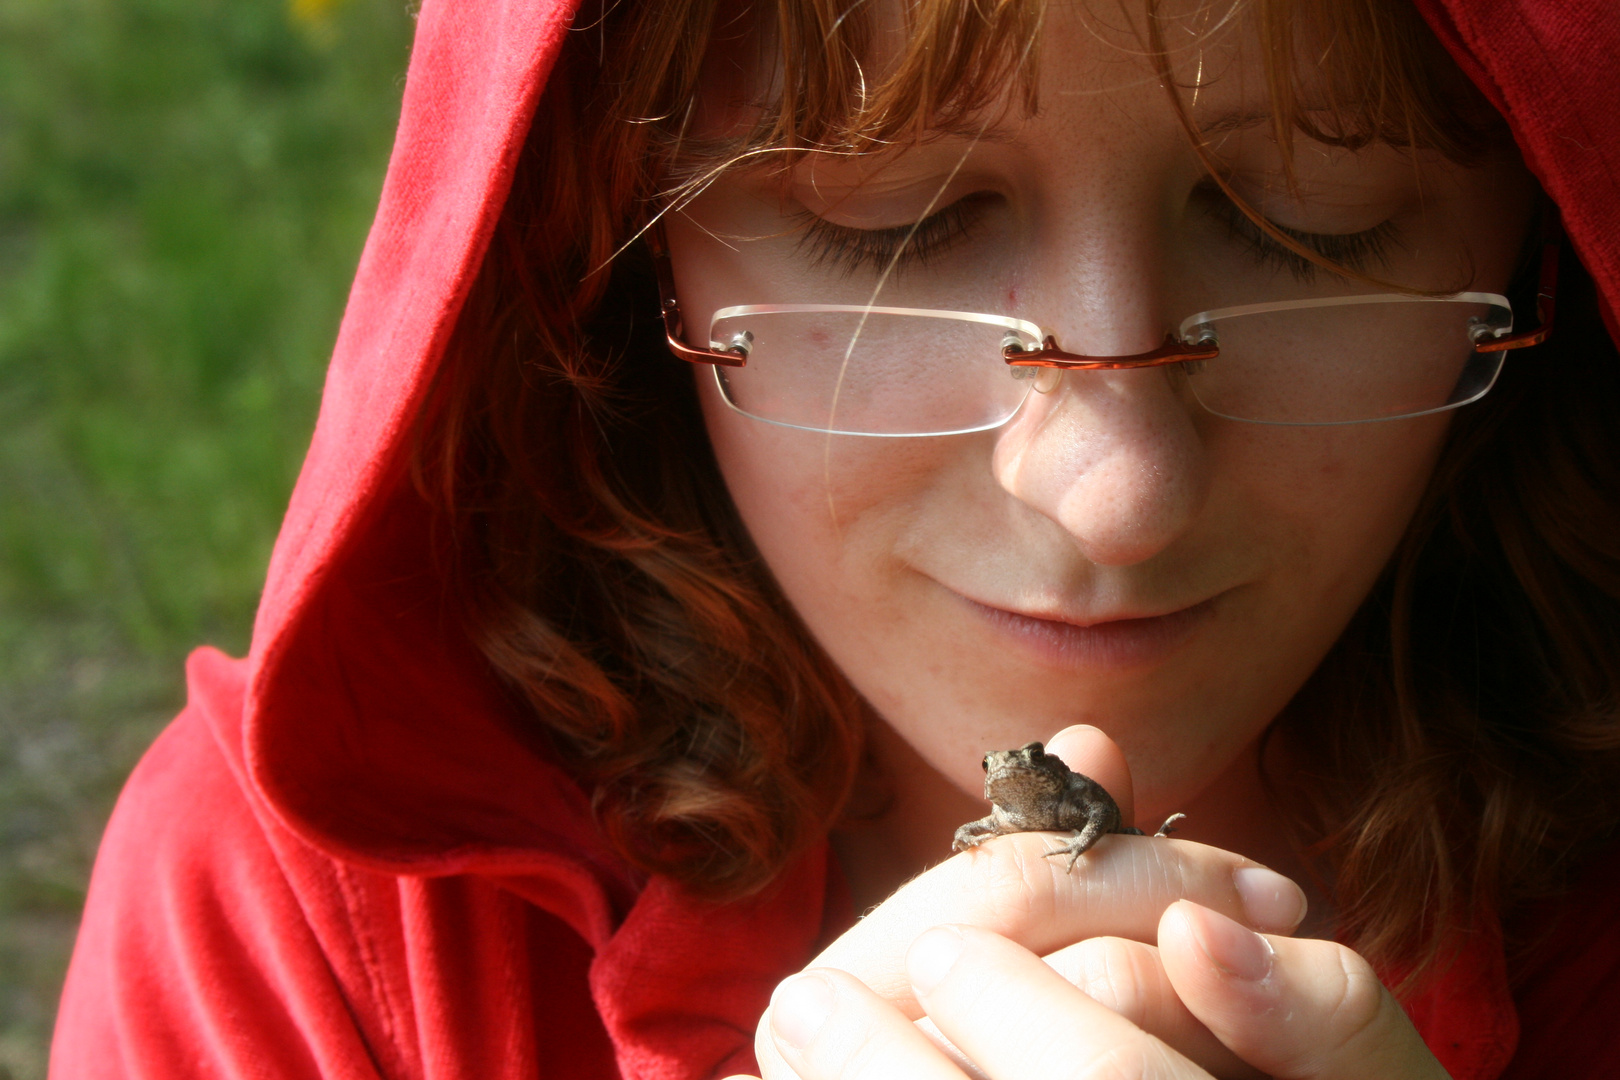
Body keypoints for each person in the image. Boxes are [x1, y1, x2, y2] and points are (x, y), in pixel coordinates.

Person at [48, 0, 1620, 1077]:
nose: (1114, 489)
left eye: (1309, 227)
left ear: (1546, 228)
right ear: (620, 239)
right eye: (895, 229)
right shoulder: (314, 923)